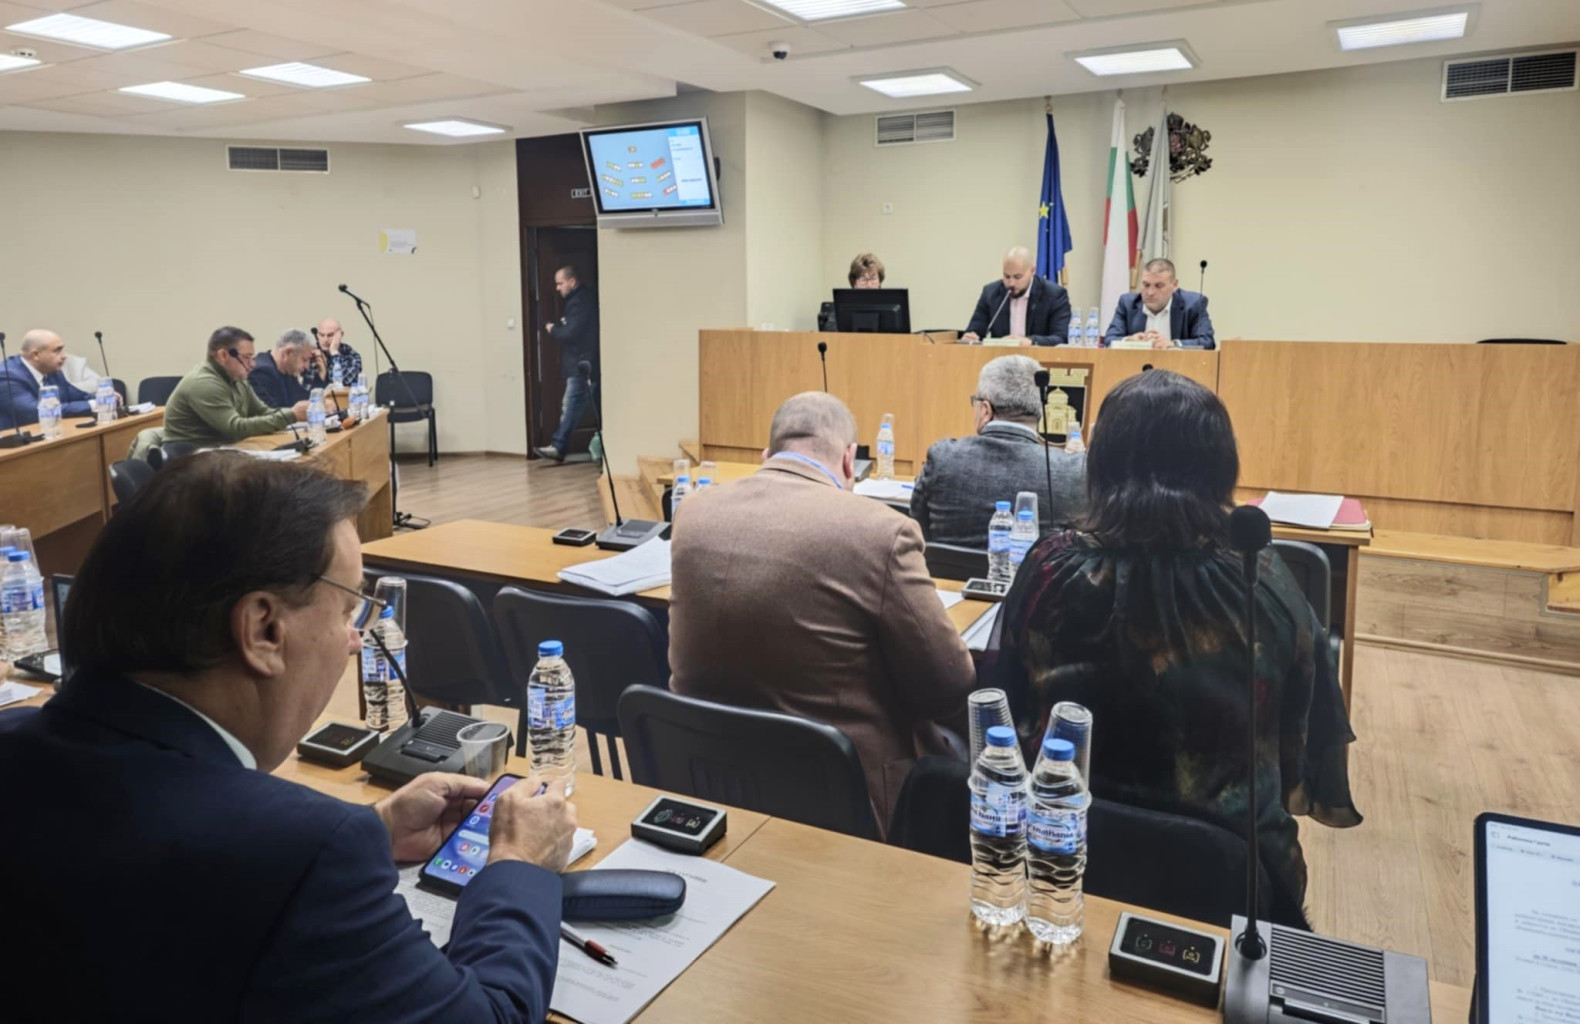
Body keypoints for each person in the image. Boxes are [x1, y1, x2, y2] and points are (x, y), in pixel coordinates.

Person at [0, 453, 577, 1022]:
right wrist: (520, 862)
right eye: (348, 610)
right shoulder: (302, 854)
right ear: (263, 630)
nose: (355, 641)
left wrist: (376, 830)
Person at [987, 369, 1358, 924]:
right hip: (1227, 887)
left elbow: (1005, 712)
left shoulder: (1049, 568)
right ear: (1220, 467)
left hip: (1058, 867)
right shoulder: (1260, 582)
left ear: (1102, 463)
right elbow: (1296, 748)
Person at [668, 392, 976, 833]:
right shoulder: (882, 531)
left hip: (706, 778)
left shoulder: (692, 512)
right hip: (843, 800)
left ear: (767, 455)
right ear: (850, 460)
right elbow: (949, 684)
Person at [910, 355, 1085, 548]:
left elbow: (917, 528)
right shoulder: (1071, 470)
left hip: (945, 569)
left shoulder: (943, 457)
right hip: (1033, 569)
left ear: (986, 410)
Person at [159, 327, 308, 450]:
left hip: (219, 451)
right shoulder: (203, 383)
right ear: (223, 355)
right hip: (190, 457)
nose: (253, 364)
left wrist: (297, 414)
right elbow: (235, 428)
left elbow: (263, 411)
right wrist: (292, 415)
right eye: (247, 357)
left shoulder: (237, 379)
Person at [534, 265, 599, 463]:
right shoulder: (581, 299)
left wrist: (553, 329)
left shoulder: (580, 301)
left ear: (572, 281)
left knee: (571, 405)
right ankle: (563, 446)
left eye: (560, 283)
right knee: (583, 405)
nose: (557, 288)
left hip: (581, 364)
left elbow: (572, 332)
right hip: (585, 363)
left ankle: (558, 446)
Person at [962, 246, 1072, 347]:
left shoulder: (1054, 295)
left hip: (1038, 360)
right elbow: (975, 330)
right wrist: (971, 337)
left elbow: (1061, 338)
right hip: (1001, 359)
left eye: (1017, 277)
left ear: (1032, 271)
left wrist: (1031, 341)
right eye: (1007, 276)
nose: (1011, 283)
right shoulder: (990, 293)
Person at [1103, 258, 1216, 349]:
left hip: (1177, 368)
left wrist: (1172, 344)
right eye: (1146, 285)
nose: (1150, 292)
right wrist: (1129, 341)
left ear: (1174, 285)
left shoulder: (1193, 304)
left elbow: (1207, 342)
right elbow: (1109, 340)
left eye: (1159, 286)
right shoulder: (1128, 303)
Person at [0, 328, 97, 430]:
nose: (64, 356)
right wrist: (93, 405)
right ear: (36, 355)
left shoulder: (51, 371)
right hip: (16, 438)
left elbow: (77, 396)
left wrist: (102, 399)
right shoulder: (6, 376)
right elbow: (37, 412)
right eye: (57, 351)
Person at [249, 328, 316, 409]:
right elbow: (274, 413)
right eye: (304, 360)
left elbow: (303, 399)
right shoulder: (261, 373)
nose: (307, 366)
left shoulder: (288, 370)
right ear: (288, 353)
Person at [820, 253, 888, 330]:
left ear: (879, 282)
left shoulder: (889, 302)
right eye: (864, 280)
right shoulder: (844, 303)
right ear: (854, 283)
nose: (869, 285)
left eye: (873, 279)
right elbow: (830, 328)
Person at [302, 317, 365, 391]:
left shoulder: (351, 355)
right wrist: (322, 371)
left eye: (330, 335)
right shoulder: (310, 354)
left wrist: (334, 353)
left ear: (341, 335)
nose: (325, 340)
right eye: (322, 335)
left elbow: (342, 383)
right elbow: (305, 390)